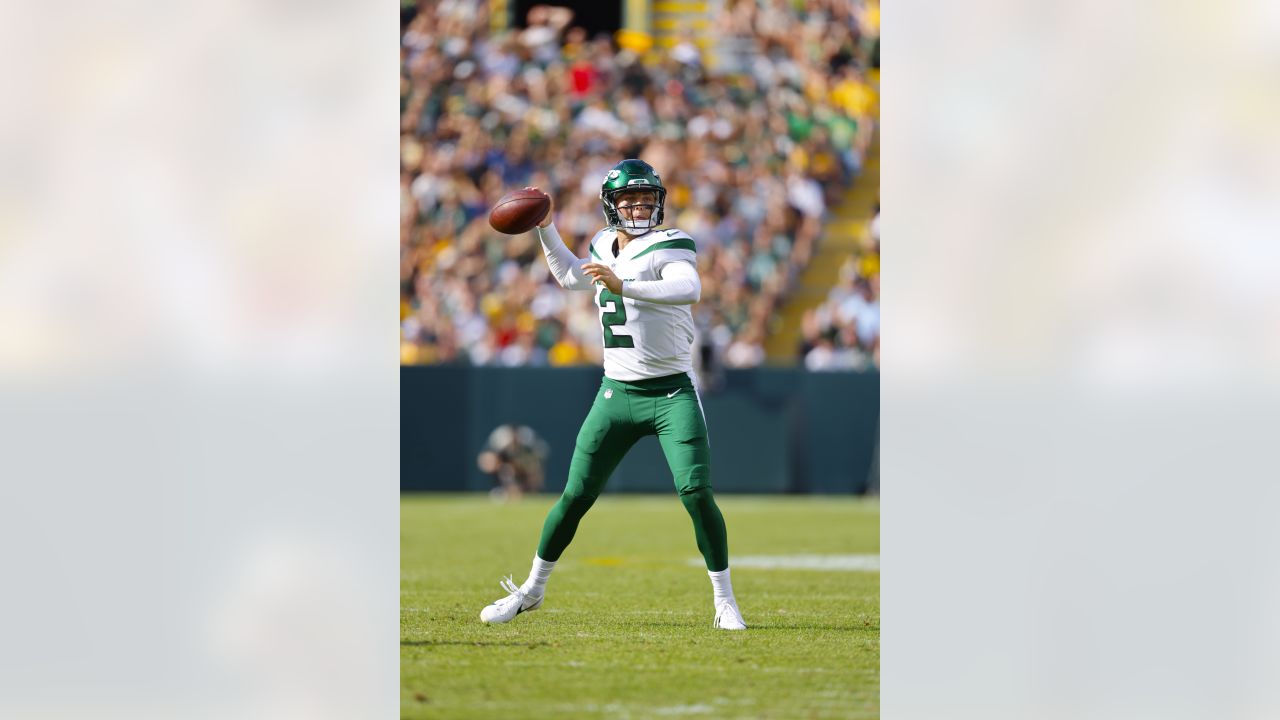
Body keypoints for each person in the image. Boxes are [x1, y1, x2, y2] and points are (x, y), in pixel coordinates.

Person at [479, 159, 747, 630]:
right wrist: (546, 227)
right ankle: (531, 590)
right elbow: (570, 278)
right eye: (628, 199)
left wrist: (627, 285)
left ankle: (724, 600)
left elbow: (689, 288)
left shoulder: (672, 241)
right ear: (611, 205)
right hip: (616, 391)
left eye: (646, 199)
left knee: (697, 494)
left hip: (671, 393)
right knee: (574, 496)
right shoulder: (602, 242)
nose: (639, 206)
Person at [476, 424, 548, 501]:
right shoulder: (500, 440)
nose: (514, 441)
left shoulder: (529, 440)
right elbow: (485, 459)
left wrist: (526, 468)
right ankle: (504, 489)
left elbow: (542, 455)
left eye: (516, 438)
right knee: (505, 468)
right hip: (506, 467)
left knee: (534, 469)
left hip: (524, 465)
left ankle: (530, 491)